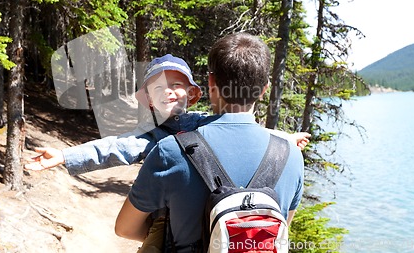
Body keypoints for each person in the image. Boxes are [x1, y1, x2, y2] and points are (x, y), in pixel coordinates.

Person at [26, 53, 309, 252]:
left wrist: (284, 137)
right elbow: (113, 147)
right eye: (157, 87)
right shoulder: (150, 137)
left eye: (175, 85)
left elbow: (240, 127)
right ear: (148, 100)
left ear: (194, 94)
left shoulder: (201, 122)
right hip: (165, 224)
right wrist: (66, 156)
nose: (168, 92)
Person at [115, 33, 305, 252]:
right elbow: (280, 232)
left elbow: (125, 229)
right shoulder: (291, 155)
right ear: (264, 89)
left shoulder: (170, 150)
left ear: (211, 82)